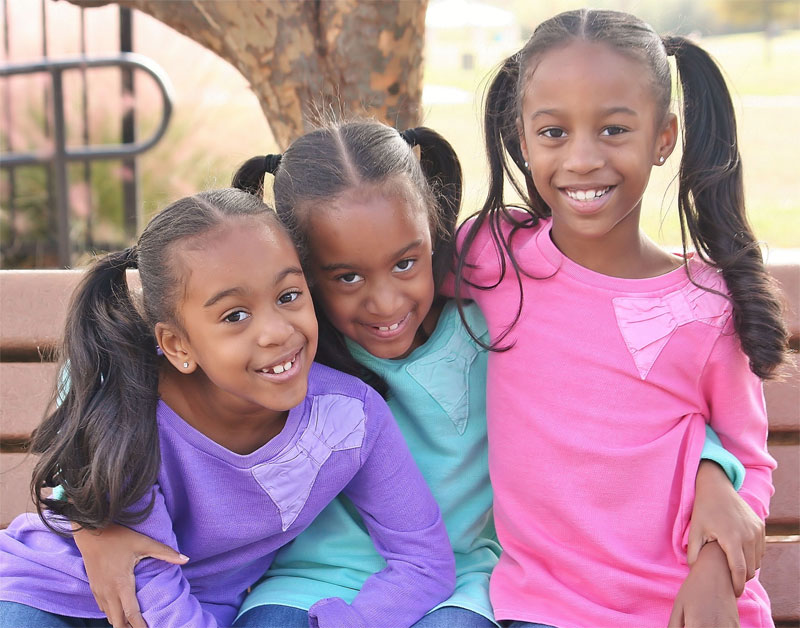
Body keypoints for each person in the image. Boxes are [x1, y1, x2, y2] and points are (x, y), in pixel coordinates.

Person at [69, 121, 762, 628]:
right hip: (308, 583)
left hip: (459, 583)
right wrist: (90, 514)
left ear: (433, 239)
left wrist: (711, 468)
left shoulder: (493, 320)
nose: (386, 302)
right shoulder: (289, 355)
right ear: (302, 278)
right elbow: (104, 379)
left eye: (407, 263)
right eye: (344, 278)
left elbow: (615, 378)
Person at [450, 9, 789, 628]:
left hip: (688, 605)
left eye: (613, 130)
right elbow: (386, 297)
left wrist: (716, 571)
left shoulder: (704, 305)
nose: (581, 159)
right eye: (553, 132)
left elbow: (751, 460)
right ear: (521, 139)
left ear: (664, 138)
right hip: (541, 608)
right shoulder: (493, 259)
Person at [0, 189, 456, 628]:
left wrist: (351, 622)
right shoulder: (132, 408)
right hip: (50, 593)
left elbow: (424, 561)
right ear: (177, 344)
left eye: (288, 295)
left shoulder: (350, 420)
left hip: (197, 609)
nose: (276, 331)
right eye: (235, 316)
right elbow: (152, 585)